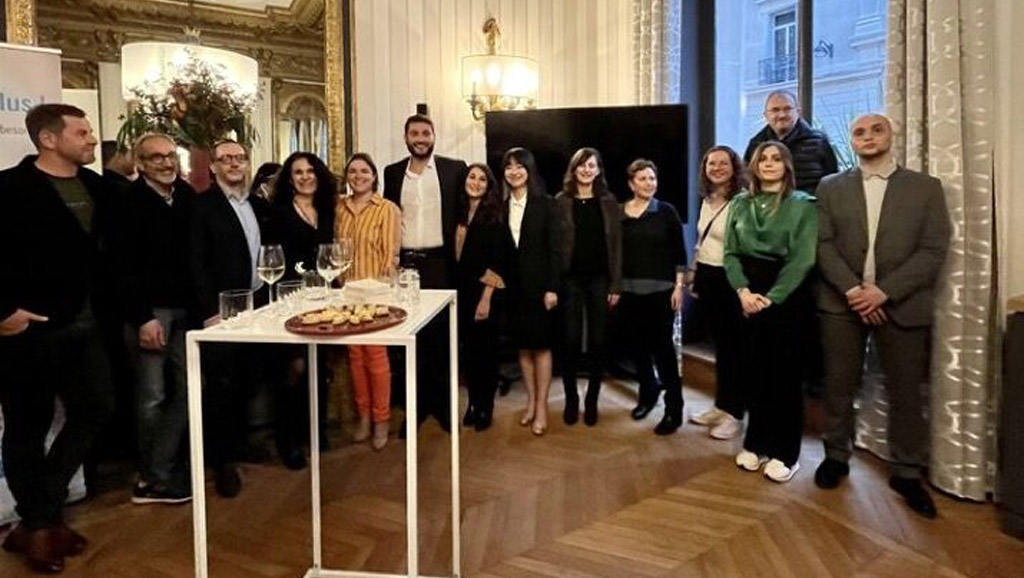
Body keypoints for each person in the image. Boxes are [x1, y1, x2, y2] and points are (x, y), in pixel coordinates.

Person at [814, 114, 951, 518]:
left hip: (902, 306)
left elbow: (933, 249)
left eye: (877, 130)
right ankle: (836, 456)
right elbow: (821, 244)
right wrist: (855, 291)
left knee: (907, 392)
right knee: (839, 385)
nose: (868, 137)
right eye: (859, 132)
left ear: (892, 135)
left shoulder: (926, 188)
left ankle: (907, 471)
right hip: (843, 303)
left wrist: (883, 293)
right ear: (852, 142)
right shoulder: (829, 186)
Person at [0, 104, 116, 573]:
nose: (92, 139)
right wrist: (2, 313)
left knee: (97, 408)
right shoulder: (7, 188)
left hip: (87, 327)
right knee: (27, 427)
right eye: (82, 132)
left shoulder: (97, 187)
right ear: (49, 139)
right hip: (27, 329)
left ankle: (36, 518)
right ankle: (42, 526)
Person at [724, 141, 817, 483]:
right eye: (763, 158)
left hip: (787, 298)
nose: (769, 163)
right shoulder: (740, 203)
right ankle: (756, 442)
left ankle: (786, 452)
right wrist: (744, 292)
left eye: (776, 158)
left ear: (787, 165)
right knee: (754, 373)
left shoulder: (804, 205)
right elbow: (730, 253)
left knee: (784, 378)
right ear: (753, 165)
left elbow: (803, 259)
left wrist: (770, 298)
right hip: (747, 294)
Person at [114, 132, 196, 505]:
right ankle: (151, 479)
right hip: (151, 314)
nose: (166, 163)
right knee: (151, 396)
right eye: (156, 157)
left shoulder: (187, 198)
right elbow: (121, 268)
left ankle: (162, 464)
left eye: (170, 156)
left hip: (187, 310)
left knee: (190, 388)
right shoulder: (127, 202)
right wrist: (143, 318)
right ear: (141, 163)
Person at [189, 139, 270, 498]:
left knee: (248, 378)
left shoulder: (255, 204)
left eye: (240, 158)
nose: (235, 164)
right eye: (226, 159)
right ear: (214, 166)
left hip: (257, 305)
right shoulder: (201, 206)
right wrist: (209, 311)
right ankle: (222, 463)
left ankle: (238, 446)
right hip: (221, 310)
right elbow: (195, 264)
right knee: (221, 385)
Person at [383, 114, 468, 431]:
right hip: (406, 265)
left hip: (441, 263)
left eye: (425, 132)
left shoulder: (454, 168)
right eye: (414, 133)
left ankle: (444, 407)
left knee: (443, 339)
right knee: (410, 338)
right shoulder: (392, 173)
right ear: (405, 137)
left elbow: (464, 214)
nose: (420, 138)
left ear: (434, 135)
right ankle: (414, 409)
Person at [268, 152, 336, 468]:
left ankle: (316, 431)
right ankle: (289, 441)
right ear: (290, 178)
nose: (305, 176)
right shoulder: (278, 213)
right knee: (293, 370)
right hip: (289, 298)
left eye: (310, 171)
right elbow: (274, 261)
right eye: (298, 172)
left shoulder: (327, 210)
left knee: (318, 367)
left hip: (323, 299)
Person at [336, 153, 401, 450]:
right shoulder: (339, 208)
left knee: (376, 357)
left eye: (365, 171)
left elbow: (391, 256)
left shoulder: (387, 209)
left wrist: (384, 292)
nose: (359, 175)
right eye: (353, 171)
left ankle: (381, 420)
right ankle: (363, 416)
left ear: (374, 176)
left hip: (376, 294)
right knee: (355, 357)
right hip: (346, 294)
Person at [554, 148, 622, 427]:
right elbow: (556, 246)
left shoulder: (608, 201)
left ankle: (592, 399)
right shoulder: (561, 201)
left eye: (591, 165)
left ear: (598, 169)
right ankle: (571, 398)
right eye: (581, 165)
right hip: (570, 280)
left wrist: (616, 284)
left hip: (600, 280)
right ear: (574, 169)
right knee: (569, 342)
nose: (586, 170)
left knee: (598, 342)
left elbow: (617, 246)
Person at [619, 159, 686, 435]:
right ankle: (648, 393)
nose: (649, 183)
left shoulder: (666, 211)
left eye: (652, 178)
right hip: (628, 291)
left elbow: (679, 254)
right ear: (631, 183)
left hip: (661, 292)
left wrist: (679, 286)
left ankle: (674, 408)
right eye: (643, 179)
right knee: (637, 348)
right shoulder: (619, 212)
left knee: (663, 350)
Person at [688, 146, 748, 440]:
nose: (718, 168)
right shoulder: (708, 199)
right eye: (712, 163)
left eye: (724, 163)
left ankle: (735, 414)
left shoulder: (744, 201)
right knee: (720, 347)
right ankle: (721, 405)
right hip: (708, 276)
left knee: (735, 348)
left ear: (735, 167)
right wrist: (693, 272)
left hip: (732, 279)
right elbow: (702, 241)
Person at [502, 148, 560, 436]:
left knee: (541, 347)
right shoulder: (501, 206)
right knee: (523, 347)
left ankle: (542, 407)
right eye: (509, 166)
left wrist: (552, 287)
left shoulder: (545, 204)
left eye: (519, 166)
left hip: (540, 289)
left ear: (529, 170)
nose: (514, 171)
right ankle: (530, 401)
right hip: (513, 290)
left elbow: (555, 249)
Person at [455, 163, 511, 431]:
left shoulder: (495, 215)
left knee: (485, 353)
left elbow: (499, 260)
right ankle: (472, 403)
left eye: (482, 179)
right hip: (460, 291)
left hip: (484, 293)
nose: (475, 182)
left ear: (489, 186)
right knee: (468, 352)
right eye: (471, 177)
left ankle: (485, 406)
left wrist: (486, 298)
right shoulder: (458, 211)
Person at [744, 90, 838, 194]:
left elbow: (832, 181)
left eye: (787, 109)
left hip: (811, 207)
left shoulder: (819, 141)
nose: (782, 115)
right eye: (775, 110)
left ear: (798, 111)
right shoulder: (756, 144)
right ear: (766, 115)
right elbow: (747, 180)